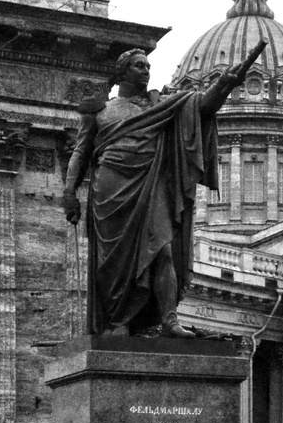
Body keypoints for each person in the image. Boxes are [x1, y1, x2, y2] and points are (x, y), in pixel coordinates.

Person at [63, 44, 264, 336]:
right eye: (139, 65)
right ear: (122, 72)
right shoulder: (100, 111)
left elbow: (203, 107)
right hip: (110, 189)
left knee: (163, 250)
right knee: (114, 262)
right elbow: (81, 153)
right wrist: (69, 194)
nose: (146, 70)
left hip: (151, 181)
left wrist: (224, 84)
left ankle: (169, 320)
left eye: (147, 66)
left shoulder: (161, 104)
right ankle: (118, 320)